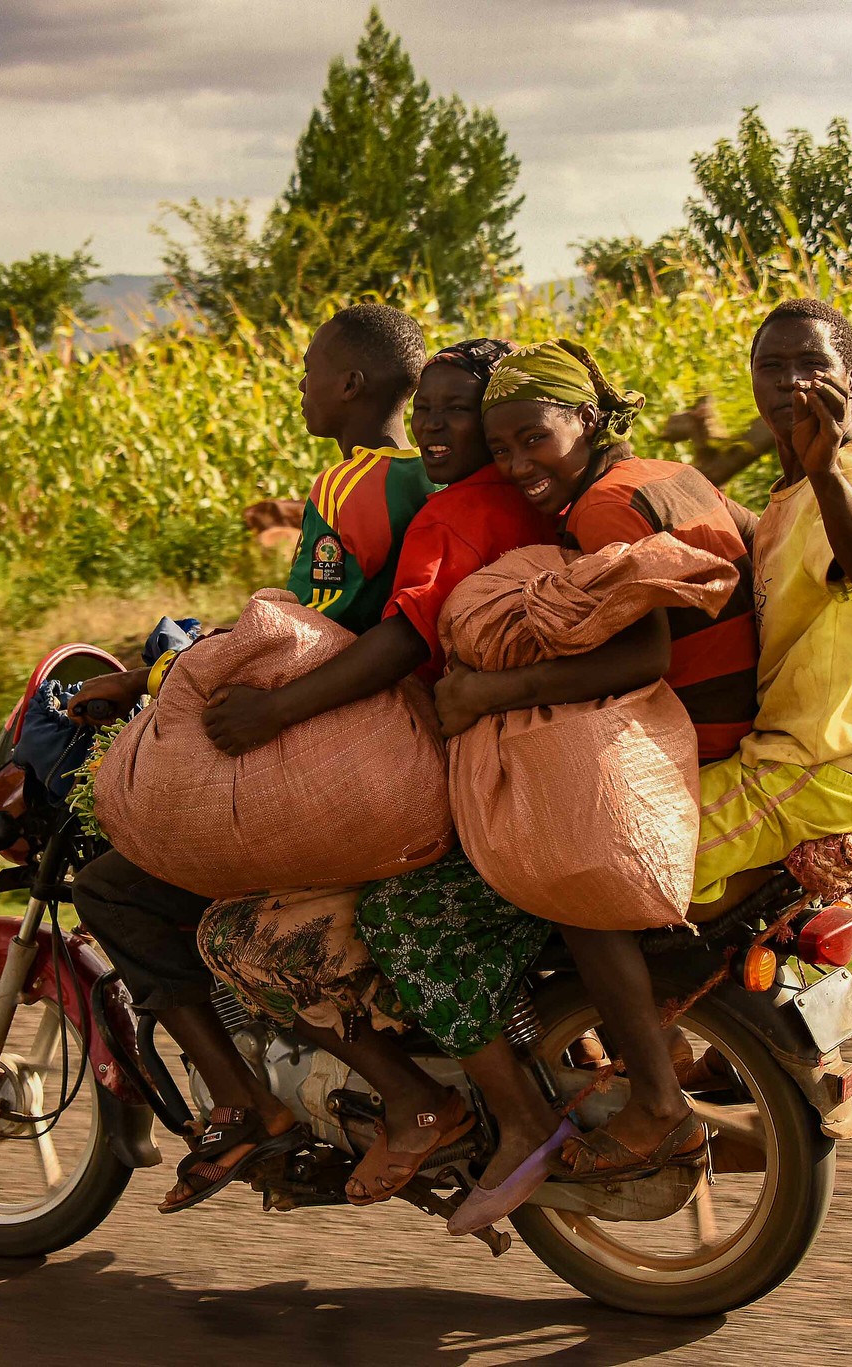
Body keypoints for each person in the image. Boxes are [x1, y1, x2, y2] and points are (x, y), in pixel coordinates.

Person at [63, 302, 434, 1213]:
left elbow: (309, 633)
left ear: (351, 383)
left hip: (344, 742)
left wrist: (168, 674)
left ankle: (241, 1101)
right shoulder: (427, 476)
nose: (300, 381)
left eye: (311, 366)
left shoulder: (355, 485)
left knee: (117, 884)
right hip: (406, 732)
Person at [196, 338, 560, 1206]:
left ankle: (431, 1105)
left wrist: (267, 706)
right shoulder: (533, 499)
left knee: (238, 936)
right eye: (427, 408)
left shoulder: (426, 505)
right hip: (512, 756)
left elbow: (376, 633)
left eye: (457, 411)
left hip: (457, 766)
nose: (436, 425)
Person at [433, 336, 759, 1181]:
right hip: (741, 702)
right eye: (500, 449)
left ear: (583, 418)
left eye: (533, 438)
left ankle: (658, 1100)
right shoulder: (664, 474)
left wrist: (482, 695)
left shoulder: (602, 508)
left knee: (573, 875)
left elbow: (641, 657)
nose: (515, 465)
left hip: (705, 723)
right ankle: (668, 1050)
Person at [683, 296, 852, 918]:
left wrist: (827, 473)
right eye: (771, 367)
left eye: (812, 364)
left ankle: (634, 1022)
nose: (791, 381)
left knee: (615, 851)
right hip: (799, 763)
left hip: (820, 768)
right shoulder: (787, 497)